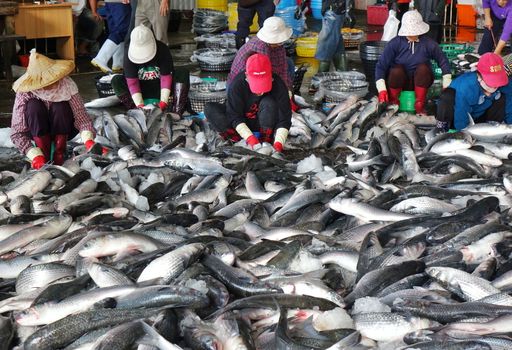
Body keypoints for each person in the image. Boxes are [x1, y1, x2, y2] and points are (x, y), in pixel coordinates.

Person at [10, 49, 97, 169]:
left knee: (60, 106)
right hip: (36, 130)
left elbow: (82, 118)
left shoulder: (67, 86)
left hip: (64, 128)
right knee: (33, 106)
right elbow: (17, 132)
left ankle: (59, 153)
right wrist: (33, 154)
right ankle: (43, 154)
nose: (50, 84)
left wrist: (89, 140)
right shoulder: (25, 92)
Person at [205, 53, 291, 153]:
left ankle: (266, 140)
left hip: (265, 122)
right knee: (210, 108)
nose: (260, 92)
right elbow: (234, 115)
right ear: (246, 76)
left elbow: (285, 118)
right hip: (240, 123)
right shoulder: (237, 84)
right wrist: (251, 139)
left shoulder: (278, 84)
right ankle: (236, 140)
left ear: (270, 75)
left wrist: (279, 144)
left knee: (269, 102)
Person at [375, 10, 451, 115]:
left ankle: (420, 104)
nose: (412, 34)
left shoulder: (429, 44)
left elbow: (443, 61)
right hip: (400, 82)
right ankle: (393, 102)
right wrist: (382, 89)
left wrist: (447, 82)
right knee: (396, 70)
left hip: (421, 83)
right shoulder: (395, 43)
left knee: (423, 69)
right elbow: (381, 66)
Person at [111, 25, 189, 116]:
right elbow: (132, 82)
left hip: (160, 88)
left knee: (182, 73)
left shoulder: (162, 49)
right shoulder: (128, 53)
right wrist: (140, 105)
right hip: (141, 90)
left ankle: (177, 112)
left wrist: (163, 102)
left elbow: (166, 78)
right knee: (116, 80)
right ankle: (134, 110)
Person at [435, 53, 512, 132]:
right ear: (479, 76)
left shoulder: (506, 83)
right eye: (491, 81)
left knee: (503, 97)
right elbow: (461, 115)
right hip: (456, 117)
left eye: (498, 79)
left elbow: (510, 107)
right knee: (447, 96)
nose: (495, 85)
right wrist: (463, 134)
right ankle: (442, 128)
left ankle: (491, 129)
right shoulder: (466, 86)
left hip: (479, 117)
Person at [228, 16, 293, 92]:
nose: (280, 43)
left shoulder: (278, 44)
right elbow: (267, 72)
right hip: (243, 84)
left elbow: (283, 66)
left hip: (261, 76)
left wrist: (287, 87)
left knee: (289, 62)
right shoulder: (260, 47)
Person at [89, 0, 131, 73]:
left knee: (116, 30)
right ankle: (101, 58)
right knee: (122, 30)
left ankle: (118, 64)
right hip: (120, 3)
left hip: (109, 2)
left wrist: (94, 10)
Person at [315, 0, 347, 72]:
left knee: (326, 44)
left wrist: (349, 10)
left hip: (335, 10)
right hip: (329, 9)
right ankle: (343, 74)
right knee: (337, 42)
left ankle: (321, 77)